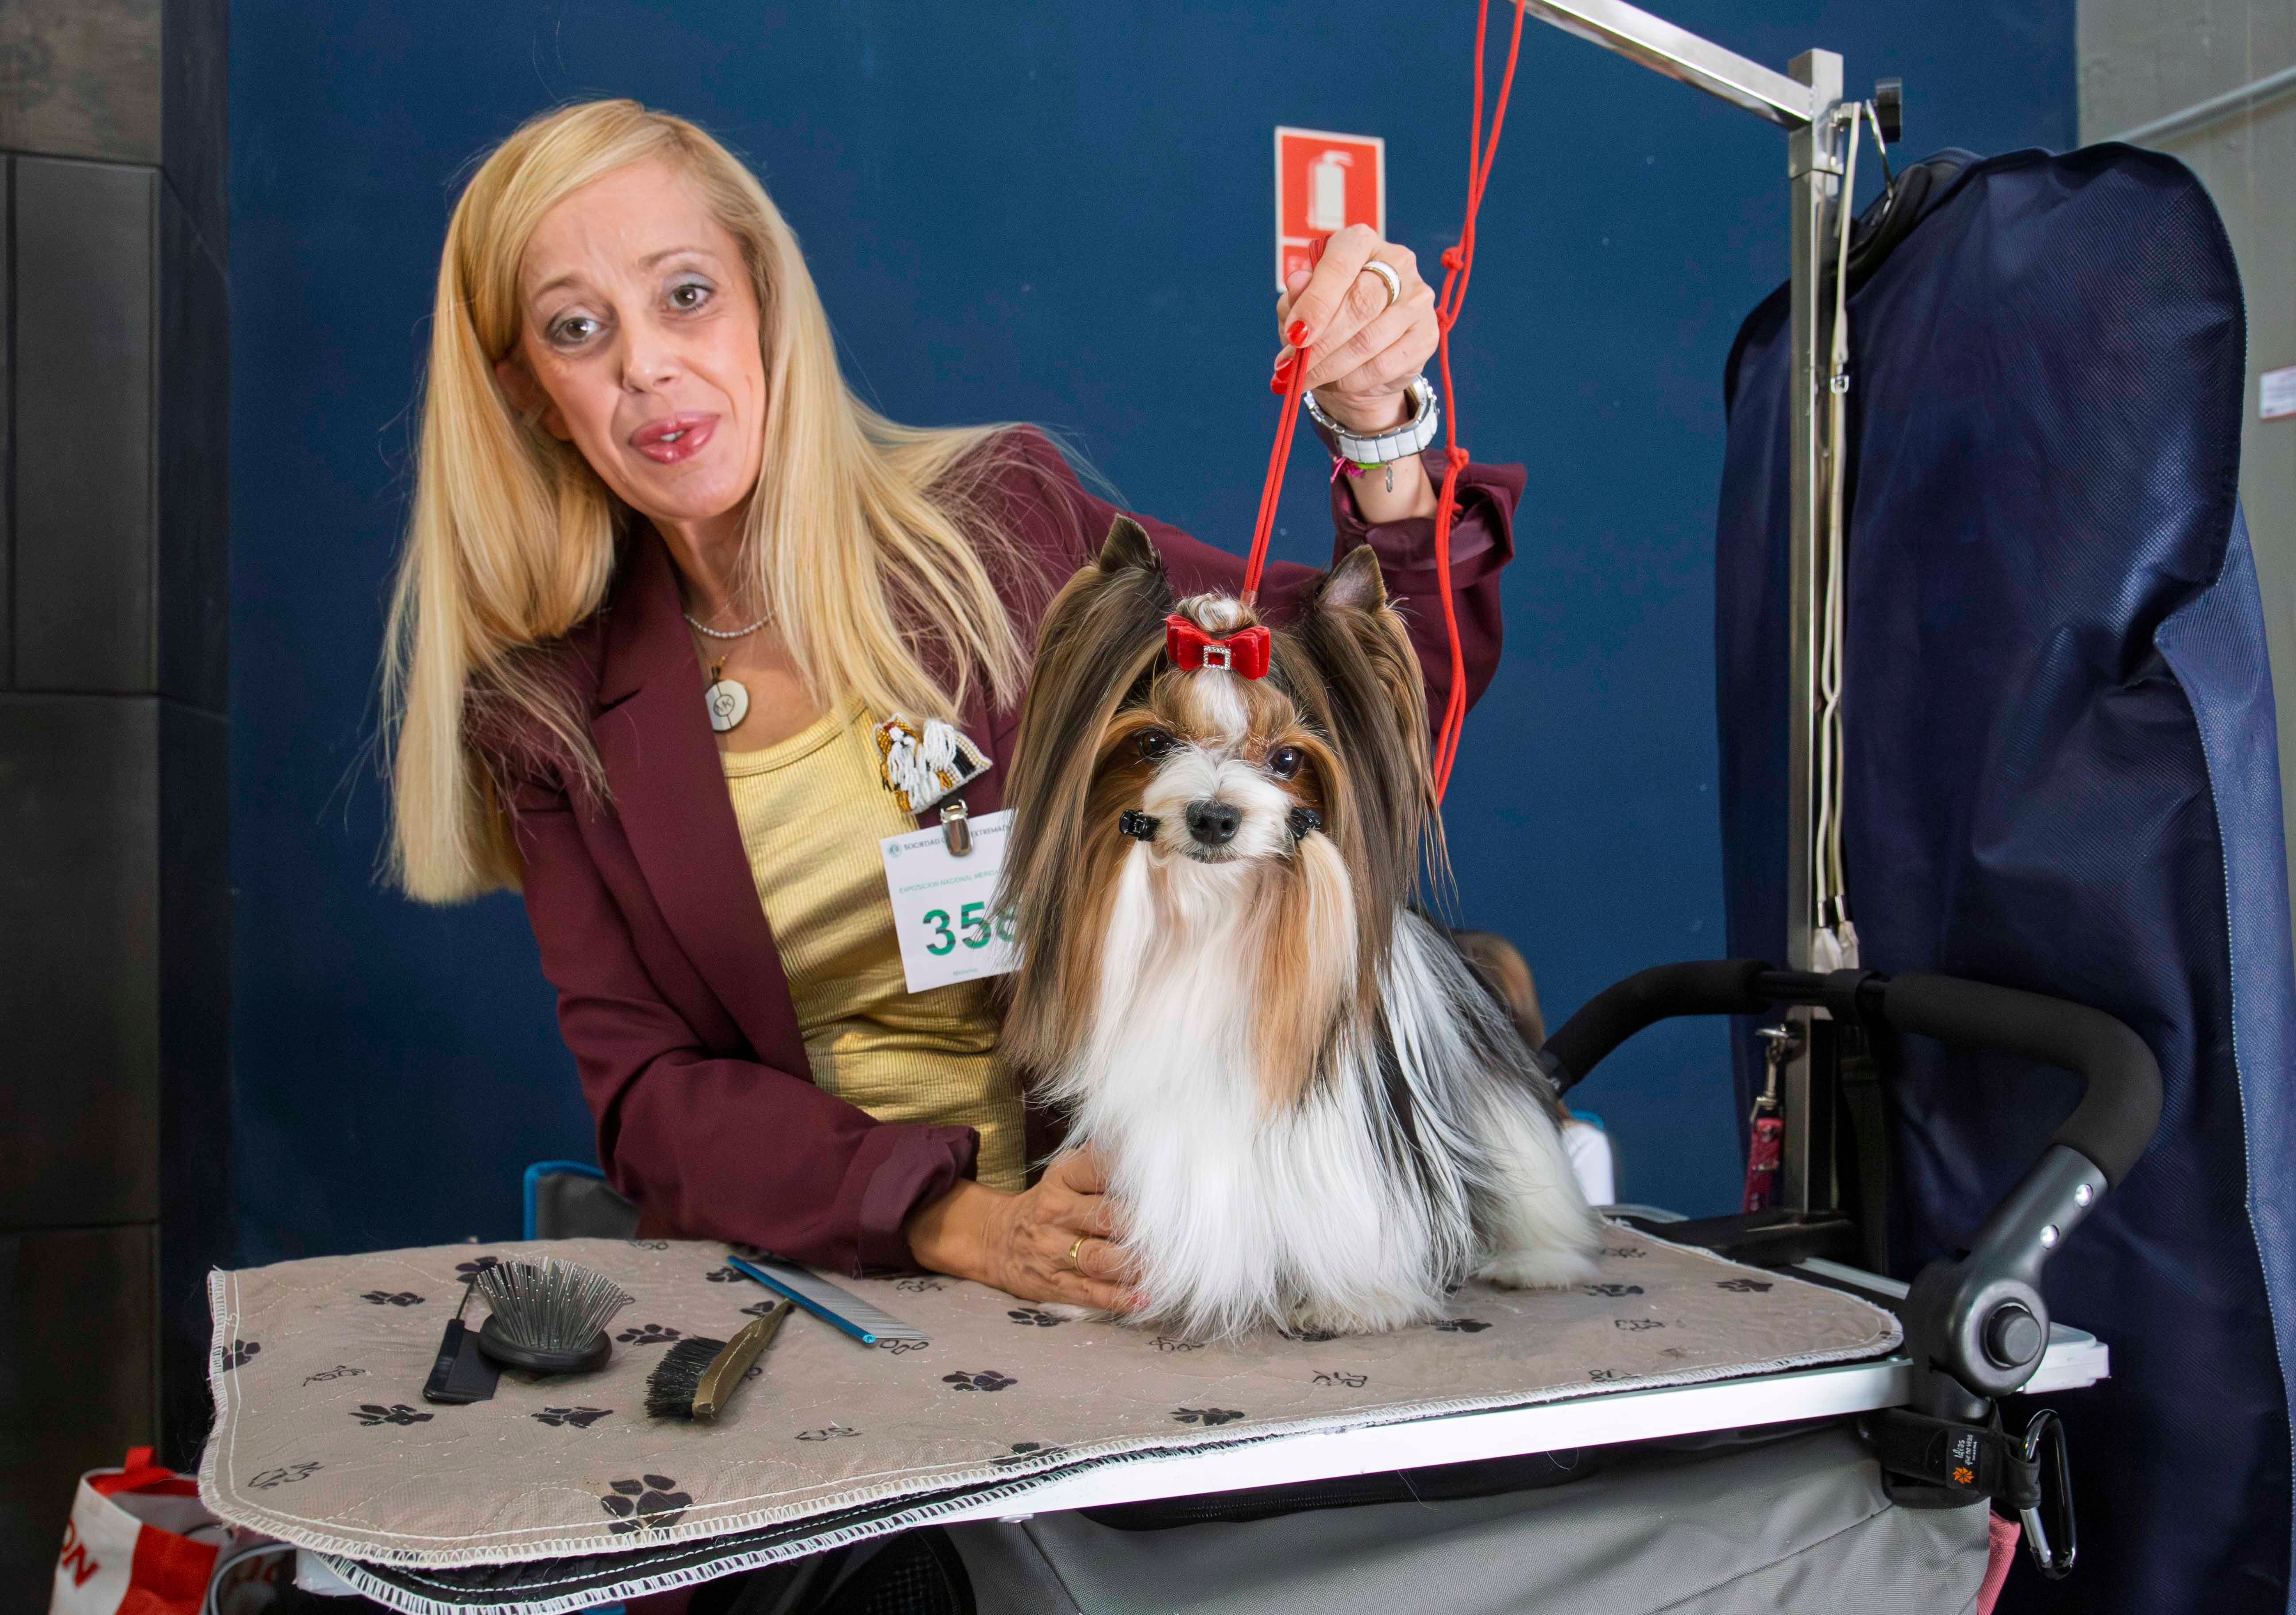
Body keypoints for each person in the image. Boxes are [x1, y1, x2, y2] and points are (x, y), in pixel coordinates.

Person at [383, 98, 1526, 1313]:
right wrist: (957, 1221)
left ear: (763, 293)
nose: (646, 364)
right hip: (827, 1279)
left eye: (685, 294)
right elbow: (653, 1102)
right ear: (525, 392)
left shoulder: (1005, 522)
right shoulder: (548, 713)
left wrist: (1380, 432)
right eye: (577, 328)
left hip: (1151, 1245)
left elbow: (1374, 719)